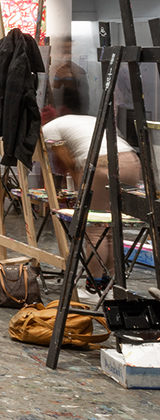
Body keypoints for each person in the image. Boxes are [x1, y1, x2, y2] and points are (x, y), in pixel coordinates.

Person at [42, 114, 142, 294]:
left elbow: (69, 163)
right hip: (132, 162)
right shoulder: (82, 119)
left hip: (103, 164)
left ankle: (93, 285)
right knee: (111, 227)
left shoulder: (47, 130)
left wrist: (77, 187)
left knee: (95, 229)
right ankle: (111, 284)